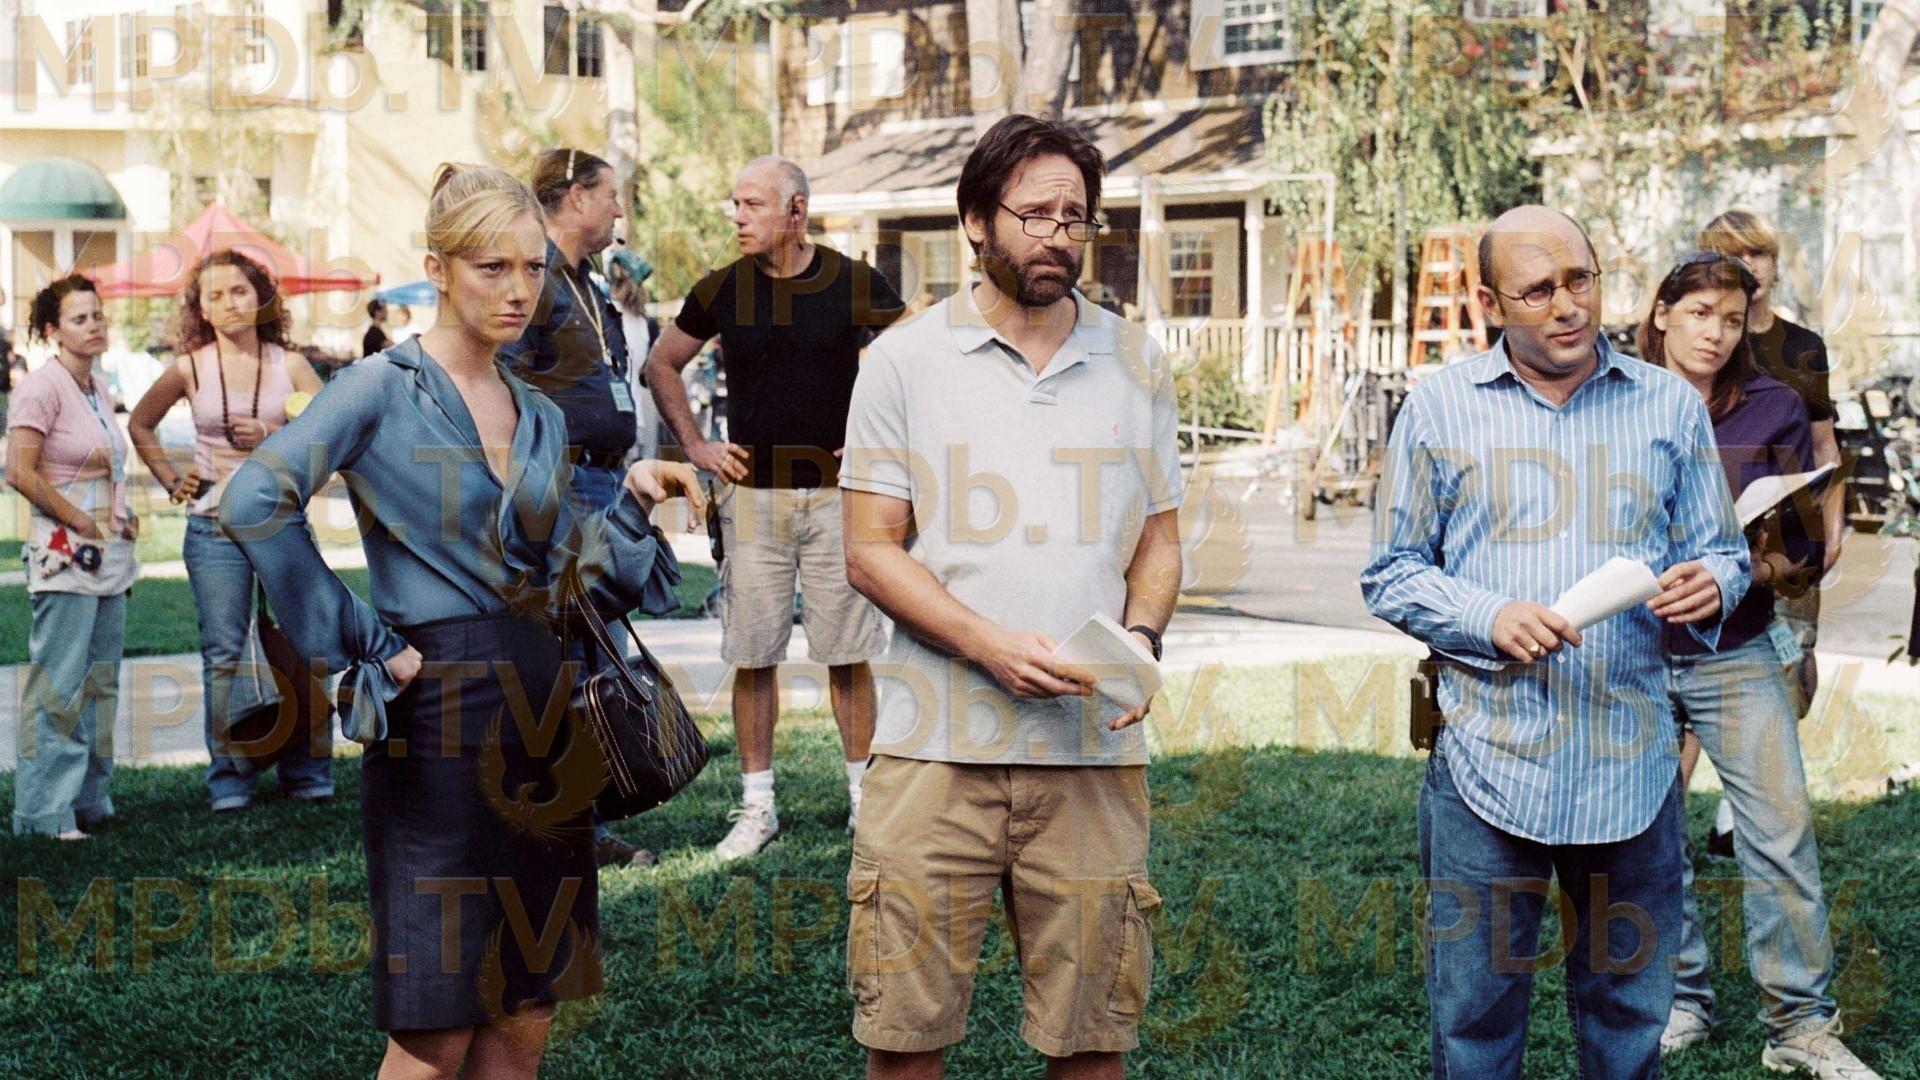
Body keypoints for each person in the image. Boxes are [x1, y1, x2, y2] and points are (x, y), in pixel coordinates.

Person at [220, 163, 702, 1077]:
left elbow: (575, 582)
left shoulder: (539, 414)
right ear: (437, 269)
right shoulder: (379, 387)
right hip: (436, 717)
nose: (518, 290)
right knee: (437, 1028)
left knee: (527, 1009)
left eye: (532, 268)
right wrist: (364, 642)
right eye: (492, 267)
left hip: (547, 708)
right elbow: (254, 500)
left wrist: (636, 501)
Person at [1359, 205, 1751, 1079]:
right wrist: (1487, 616)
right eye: (1538, 291)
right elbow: (1391, 573)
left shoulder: (1669, 405)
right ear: (1489, 303)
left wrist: (1712, 583)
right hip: (1488, 763)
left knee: (1629, 1022)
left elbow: (1724, 552)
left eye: (1581, 280)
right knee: (1476, 1021)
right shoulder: (1438, 409)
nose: (1569, 306)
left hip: (1631, 763)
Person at [839, 114, 1182, 1079]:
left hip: (1089, 754)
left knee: (1093, 1039)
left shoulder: (1137, 360)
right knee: (905, 1038)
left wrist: (1143, 639)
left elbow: (1159, 541)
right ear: (975, 221)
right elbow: (869, 549)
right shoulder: (903, 360)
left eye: (1076, 217)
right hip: (933, 750)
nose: (1058, 235)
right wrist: (988, 644)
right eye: (1035, 214)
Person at [1640, 253, 1880, 1078]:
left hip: (1736, 646)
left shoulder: (1773, 404)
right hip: (1632, 651)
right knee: (1648, 835)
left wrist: (1751, 566)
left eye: (1732, 318)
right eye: (1699, 312)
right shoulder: (1614, 398)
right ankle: (1680, 1000)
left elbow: (1800, 546)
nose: (1715, 332)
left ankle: (1800, 1026)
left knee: (1780, 834)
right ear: (1663, 313)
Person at [649, 155, 906, 858]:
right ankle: (758, 809)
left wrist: (880, 441)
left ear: (796, 210)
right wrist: (695, 444)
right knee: (753, 653)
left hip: (836, 497)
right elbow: (661, 363)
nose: (737, 217)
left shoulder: (853, 282)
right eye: (734, 204)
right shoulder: (721, 288)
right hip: (751, 499)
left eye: (752, 205)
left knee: (848, 654)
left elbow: (913, 361)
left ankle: (865, 803)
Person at [128, 251, 332, 813]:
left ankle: (307, 769)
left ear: (261, 296)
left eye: (239, 291)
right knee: (225, 653)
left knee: (305, 644)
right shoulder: (189, 368)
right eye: (214, 295)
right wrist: (172, 478)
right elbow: (140, 423)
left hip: (282, 525)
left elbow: (330, 436)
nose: (228, 304)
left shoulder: (291, 364)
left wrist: (271, 433)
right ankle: (230, 777)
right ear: (200, 309)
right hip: (212, 529)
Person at [499, 146, 654, 870]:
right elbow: (503, 385)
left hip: (602, 484)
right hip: (559, 490)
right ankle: (563, 828)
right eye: (611, 195)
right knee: (568, 658)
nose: (619, 210)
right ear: (576, 196)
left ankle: (586, 818)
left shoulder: (590, 283)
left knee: (599, 654)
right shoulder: (532, 279)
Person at [1696, 208, 1844, 854]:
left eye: (1756, 253)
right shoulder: (1708, 342)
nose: (1747, 265)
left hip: (1789, 540)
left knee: (1790, 671)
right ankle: (1669, 821)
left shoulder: (1802, 348)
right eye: (1731, 254)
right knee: (1694, 674)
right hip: (1713, 540)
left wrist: (1832, 530)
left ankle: (1737, 815)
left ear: (1775, 264)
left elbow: (1825, 445)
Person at [6, 275, 138, 839]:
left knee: (100, 683)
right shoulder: (41, 388)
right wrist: (76, 517)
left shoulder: (97, 387)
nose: (94, 326)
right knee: (58, 685)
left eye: (98, 316)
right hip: (63, 555)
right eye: (80, 319)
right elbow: (19, 470)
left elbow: (107, 462)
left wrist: (121, 515)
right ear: (52, 330)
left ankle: (89, 800)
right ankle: (44, 813)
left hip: (108, 555)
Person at [605, 248, 659, 462]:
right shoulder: (647, 324)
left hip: (611, 419)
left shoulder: (602, 314)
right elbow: (648, 375)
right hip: (638, 419)